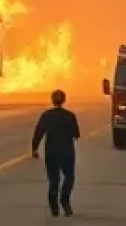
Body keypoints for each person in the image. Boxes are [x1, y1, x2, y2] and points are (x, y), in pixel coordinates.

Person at [32, 88, 80, 218]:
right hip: (67, 151)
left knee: (54, 179)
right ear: (64, 100)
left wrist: (34, 148)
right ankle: (65, 199)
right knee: (69, 176)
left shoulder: (46, 115)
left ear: (52, 100)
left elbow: (38, 133)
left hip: (51, 151)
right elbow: (76, 134)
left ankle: (54, 205)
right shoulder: (70, 116)